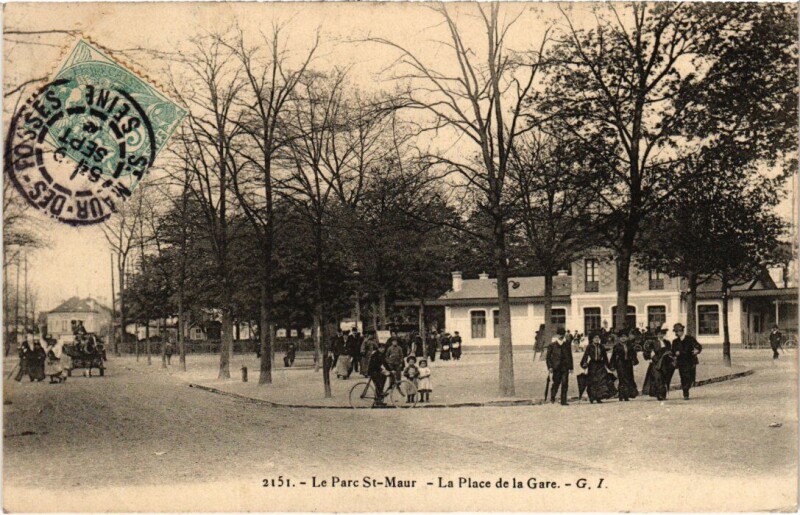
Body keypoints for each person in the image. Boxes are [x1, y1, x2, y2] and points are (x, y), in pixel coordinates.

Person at [580, 334, 615, 403]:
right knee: (592, 381)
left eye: (598, 337)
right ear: (592, 339)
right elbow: (585, 356)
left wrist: (609, 366)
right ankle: (592, 397)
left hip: (600, 365)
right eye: (595, 337)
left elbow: (605, 357)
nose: (596, 339)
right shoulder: (589, 347)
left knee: (601, 381)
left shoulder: (601, 347)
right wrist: (584, 363)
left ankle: (599, 397)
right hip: (592, 365)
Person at [642, 328, 675, 401]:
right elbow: (647, 352)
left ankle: (663, 395)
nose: (661, 335)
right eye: (659, 334)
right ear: (656, 334)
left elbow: (671, 351)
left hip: (665, 363)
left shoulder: (667, 342)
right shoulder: (653, 342)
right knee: (658, 378)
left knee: (664, 378)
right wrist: (651, 355)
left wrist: (670, 354)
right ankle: (659, 395)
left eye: (662, 334)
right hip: (656, 363)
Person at [671, 322, 702, 400]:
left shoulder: (690, 339)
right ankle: (685, 393)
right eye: (675, 332)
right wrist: (675, 352)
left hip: (691, 361)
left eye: (677, 331)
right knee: (683, 377)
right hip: (681, 362)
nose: (676, 333)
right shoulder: (675, 341)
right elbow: (673, 350)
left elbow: (698, 346)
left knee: (691, 378)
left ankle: (687, 387)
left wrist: (697, 351)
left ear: (682, 331)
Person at [610, 332, 639, 401]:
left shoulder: (630, 345)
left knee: (629, 378)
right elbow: (613, 356)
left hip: (628, 363)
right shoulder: (616, 346)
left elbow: (633, 354)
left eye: (624, 336)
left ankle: (627, 395)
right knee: (622, 378)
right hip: (620, 363)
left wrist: (634, 361)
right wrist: (612, 365)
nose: (623, 338)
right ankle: (621, 395)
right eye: (621, 337)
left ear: (627, 338)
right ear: (619, 338)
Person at [546, 334, 573, 406]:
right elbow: (548, 357)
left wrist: (571, 367)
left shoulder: (567, 345)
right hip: (556, 368)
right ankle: (552, 397)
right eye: (559, 335)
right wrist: (550, 367)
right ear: (557, 336)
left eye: (562, 335)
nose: (561, 336)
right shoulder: (552, 345)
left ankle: (563, 401)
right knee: (556, 383)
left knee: (565, 383)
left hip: (565, 367)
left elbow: (570, 356)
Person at [367, 343, 391, 407]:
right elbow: (374, 365)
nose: (383, 349)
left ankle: (379, 398)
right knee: (378, 383)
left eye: (384, 348)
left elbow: (385, 363)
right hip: (372, 371)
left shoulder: (382, 355)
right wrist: (382, 370)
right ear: (378, 348)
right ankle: (377, 400)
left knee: (384, 377)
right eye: (381, 348)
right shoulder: (375, 354)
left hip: (377, 370)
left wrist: (390, 370)